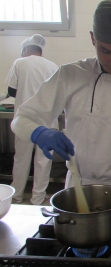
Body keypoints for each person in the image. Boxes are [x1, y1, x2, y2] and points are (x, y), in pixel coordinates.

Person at [11, 0, 111, 215]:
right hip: (80, 187)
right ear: (93, 39)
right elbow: (21, 119)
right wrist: (38, 132)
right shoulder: (69, 76)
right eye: (105, 51)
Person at [5, 34, 59, 205]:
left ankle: (17, 194)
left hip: (25, 119)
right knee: (43, 159)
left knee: (21, 157)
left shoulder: (20, 63)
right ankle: (38, 197)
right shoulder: (52, 66)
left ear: (26, 50)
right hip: (47, 118)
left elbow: (12, 92)